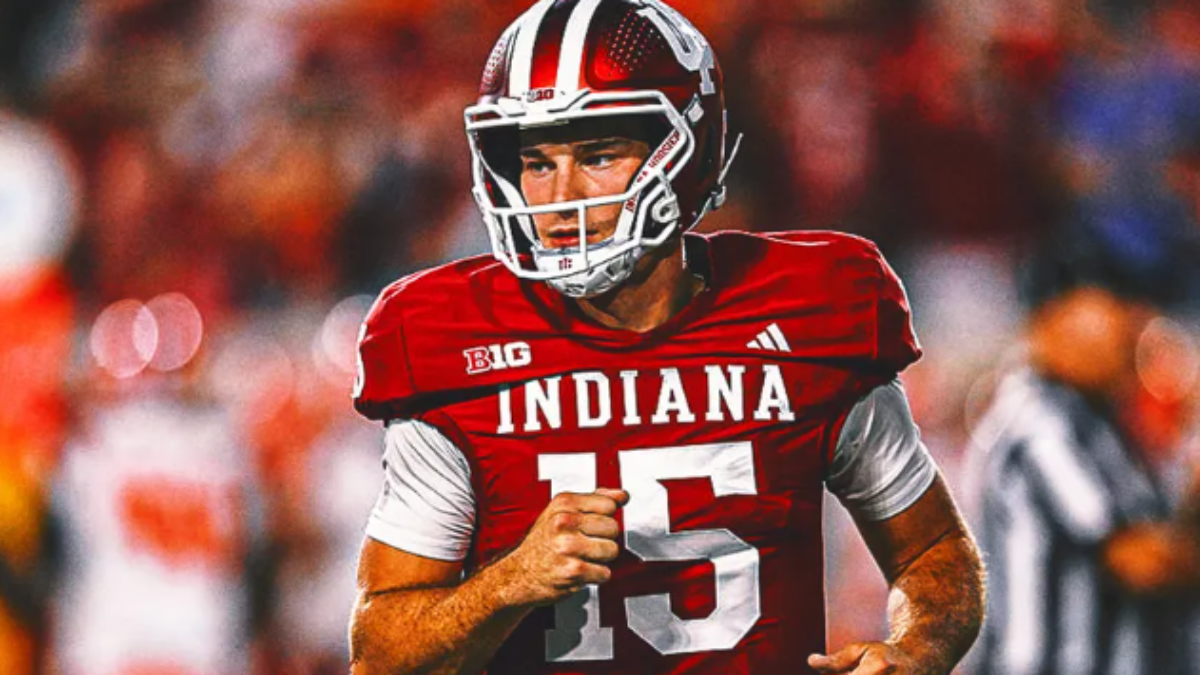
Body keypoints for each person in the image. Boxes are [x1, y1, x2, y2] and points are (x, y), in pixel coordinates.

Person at [348, 1, 985, 673]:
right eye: (536, 163)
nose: (559, 196)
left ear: (685, 152)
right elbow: (380, 657)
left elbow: (932, 551)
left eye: (597, 155)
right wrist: (505, 584)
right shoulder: (454, 342)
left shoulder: (806, 315)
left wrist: (919, 648)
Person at [971, 241, 1200, 675]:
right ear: (1053, 317)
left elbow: (1165, 541)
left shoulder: (1098, 420)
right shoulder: (1041, 422)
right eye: (1113, 307)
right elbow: (1142, 561)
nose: (1132, 326)